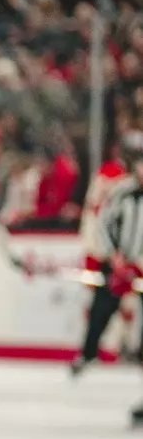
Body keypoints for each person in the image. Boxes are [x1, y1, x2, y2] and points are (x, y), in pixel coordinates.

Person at [72, 131, 143, 378]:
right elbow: (102, 223)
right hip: (118, 261)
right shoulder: (122, 190)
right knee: (102, 307)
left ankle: (134, 349)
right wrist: (115, 257)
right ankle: (88, 352)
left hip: (139, 264)